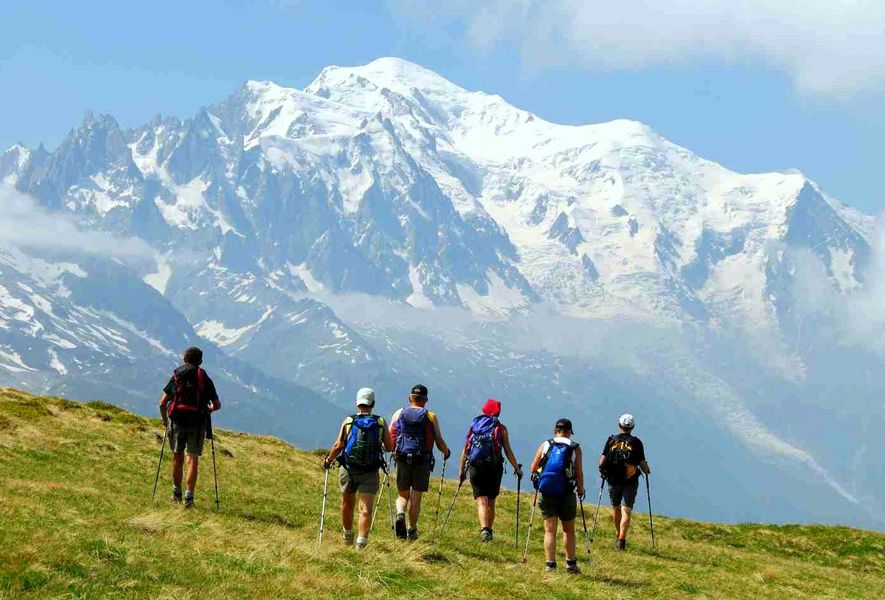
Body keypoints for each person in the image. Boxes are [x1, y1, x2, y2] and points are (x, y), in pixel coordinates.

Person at [323, 387, 393, 550]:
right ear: (373, 403)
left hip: (348, 468)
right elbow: (389, 447)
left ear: (357, 403)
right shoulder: (380, 422)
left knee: (347, 502)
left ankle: (348, 536)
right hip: (370, 470)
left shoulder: (349, 421)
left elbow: (339, 444)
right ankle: (361, 543)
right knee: (366, 508)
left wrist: (328, 460)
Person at [159, 346, 221, 509]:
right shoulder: (204, 378)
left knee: (177, 457)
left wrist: (165, 420)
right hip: (197, 421)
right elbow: (217, 405)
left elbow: (162, 403)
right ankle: (189, 498)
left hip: (177, 420)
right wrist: (209, 409)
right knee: (192, 459)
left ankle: (176, 494)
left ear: (184, 359)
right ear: (200, 361)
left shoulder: (177, 375)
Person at [389, 384, 451, 541]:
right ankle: (411, 530)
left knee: (402, 495)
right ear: (426, 400)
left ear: (410, 398)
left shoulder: (399, 413)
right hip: (422, 460)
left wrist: (390, 450)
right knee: (416, 497)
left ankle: (400, 514)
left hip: (402, 457)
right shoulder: (430, 416)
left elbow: (391, 435)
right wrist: (446, 452)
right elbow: (438, 440)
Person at [458, 399, 522, 541]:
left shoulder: (474, 425)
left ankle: (484, 530)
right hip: (494, 467)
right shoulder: (501, 428)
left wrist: (462, 470)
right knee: (491, 500)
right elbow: (508, 451)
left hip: (476, 465)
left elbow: (466, 448)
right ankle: (489, 530)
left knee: (481, 500)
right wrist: (517, 469)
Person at [529, 418, 585, 574]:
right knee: (568, 530)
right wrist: (580, 490)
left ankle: (550, 565)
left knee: (549, 531)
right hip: (566, 493)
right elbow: (579, 473)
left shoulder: (546, 445)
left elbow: (533, 468)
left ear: (555, 431)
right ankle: (571, 564)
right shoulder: (574, 448)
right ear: (570, 432)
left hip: (546, 492)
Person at [598, 413, 650, 551]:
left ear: (619, 425)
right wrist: (647, 470)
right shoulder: (636, 443)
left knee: (616, 507)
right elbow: (642, 464)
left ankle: (617, 534)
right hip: (630, 480)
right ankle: (622, 539)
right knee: (626, 509)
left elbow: (602, 461)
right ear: (632, 427)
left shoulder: (611, 440)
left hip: (613, 479)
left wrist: (602, 471)